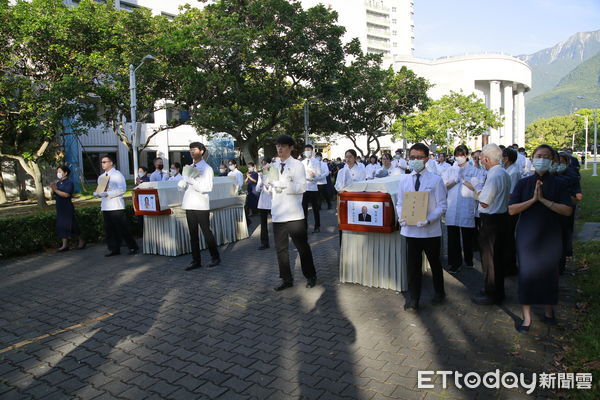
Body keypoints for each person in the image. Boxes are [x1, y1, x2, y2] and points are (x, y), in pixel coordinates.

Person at [508, 144, 573, 333]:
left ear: (552, 160)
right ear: (532, 158)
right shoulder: (523, 183)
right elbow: (512, 210)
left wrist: (544, 200)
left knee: (549, 273)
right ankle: (527, 318)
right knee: (527, 274)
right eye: (538, 155)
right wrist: (533, 200)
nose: (541, 159)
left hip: (550, 235)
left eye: (546, 156)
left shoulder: (560, 184)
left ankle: (549, 311)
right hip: (527, 235)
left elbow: (567, 210)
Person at [396, 143, 447, 312]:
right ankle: (414, 299)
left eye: (419, 157)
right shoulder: (404, 180)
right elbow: (400, 203)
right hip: (411, 231)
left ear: (426, 158)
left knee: (434, 263)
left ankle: (439, 292)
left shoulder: (436, 180)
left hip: (430, 231)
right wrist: (401, 217)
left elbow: (442, 205)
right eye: (412, 158)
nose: (415, 161)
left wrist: (429, 219)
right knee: (413, 266)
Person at [270, 135, 317, 291]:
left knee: (302, 247)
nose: (280, 149)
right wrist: (267, 184)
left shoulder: (297, 165)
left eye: (283, 146)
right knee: (281, 249)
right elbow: (270, 188)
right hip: (278, 213)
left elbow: (301, 187)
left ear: (291, 148)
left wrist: (283, 185)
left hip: (294, 214)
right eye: (278, 146)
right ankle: (286, 279)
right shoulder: (273, 165)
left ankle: (310, 275)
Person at [469, 144, 511, 305]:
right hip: (500, 218)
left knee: (490, 259)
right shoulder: (503, 173)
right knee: (496, 258)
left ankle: (492, 293)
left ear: (486, 159)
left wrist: (474, 190)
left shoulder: (494, 176)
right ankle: (494, 289)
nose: (481, 163)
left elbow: (485, 202)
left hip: (492, 221)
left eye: (481, 159)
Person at [180, 142, 220, 270]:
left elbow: (206, 188)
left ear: (201, 151)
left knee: (206, 233)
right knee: (193, 234)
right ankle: (196, 260)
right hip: (189, 203)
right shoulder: (189, 167)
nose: (192, 152)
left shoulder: (207, 168)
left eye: (194, 149)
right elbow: (187, 186)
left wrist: (190, 180)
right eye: (190, 150)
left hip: (200, 205)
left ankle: (215, 257)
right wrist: (182, 183)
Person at [442, 145, 478, 274]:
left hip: (466, 205)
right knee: (453, 236)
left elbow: (476, 187)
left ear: (467, 155)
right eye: (457, 155)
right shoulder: (450, 170)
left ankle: (468, 259)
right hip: (452, 206)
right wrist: (455, 180)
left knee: (467, 235)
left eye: (462, 155)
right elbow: (443, 187)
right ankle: (454, 263)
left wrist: (463, 180)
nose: (459, 157)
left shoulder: (473, 170)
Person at [93, 155, 139, 257]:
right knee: (109, 229)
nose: (102, 164)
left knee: (123, 228)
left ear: (111, 163)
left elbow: (122, 189)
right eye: (102, 162)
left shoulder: (117, 175)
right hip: (106, 206)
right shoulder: (101, 177)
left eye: (105, 162)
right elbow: (100, 189)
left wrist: (108, 194)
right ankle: (114, 248)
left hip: (116, 205)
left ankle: (132, 246)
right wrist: (98, 193)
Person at [556, 152, 582, 274]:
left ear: (567, 163)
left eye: (562, 162)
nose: (559, 164)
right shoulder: (551, 175)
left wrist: (565, 198)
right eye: (557, 161)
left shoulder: (571, 176)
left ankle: (561, 263)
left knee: (564, 235)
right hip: (553, 212)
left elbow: (578, 196)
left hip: (566, 211)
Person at [50, 165, 85, 252]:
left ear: (65, 173)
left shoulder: (69, 183)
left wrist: (55, 190)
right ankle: (64, 245)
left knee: (72, 225)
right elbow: (55, 194)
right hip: (60, 207)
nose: (58, 173)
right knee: (61, 225)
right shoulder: (58, 183)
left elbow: (66, 194)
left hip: (67, 207)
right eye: (57, 171)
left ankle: (81, 240)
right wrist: (53, 189)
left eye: (60, 171)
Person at [335, 149, 367, 244]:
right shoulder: (341, 171)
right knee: (344, 223)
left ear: (355, 158)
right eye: (346, 157)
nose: (348, 159)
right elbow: (337, 185)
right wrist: (342, 187)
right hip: (343, 199)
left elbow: (362, 184)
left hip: (356, 200)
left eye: (350, 157)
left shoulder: (361, 171)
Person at [502, 147, 521, 276]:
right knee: (506, 237)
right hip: (506, 207)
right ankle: (507, 264)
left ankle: (510, 267)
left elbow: (510, 193)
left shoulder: (513, 172)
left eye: (502, 156)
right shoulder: (507, 170)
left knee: (508, 237)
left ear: (507, 158)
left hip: (510, 208)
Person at [301, 144, 322, 233]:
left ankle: (317, 226)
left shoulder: (316, 162)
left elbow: (319, 174)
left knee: (315, 208)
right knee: (304, 209)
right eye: (306, 150)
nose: (307, 151)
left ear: (312, 151)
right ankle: (304, 227)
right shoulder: (302, 162)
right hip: (305, 188)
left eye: (309, 149)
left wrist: (314, 177)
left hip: (313, 187)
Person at [256, 158, 273, 250]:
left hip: (272, 200)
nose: (264, 165)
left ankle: (279, 241)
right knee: (263, 223)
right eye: (262, 163)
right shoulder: (261, 174)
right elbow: (257, 189)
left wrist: (267, 185)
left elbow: (273, 187)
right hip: (262, 201)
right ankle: (264, 243)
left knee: (276, 222)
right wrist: (261, 181)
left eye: (265, 163)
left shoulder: (273, 173)